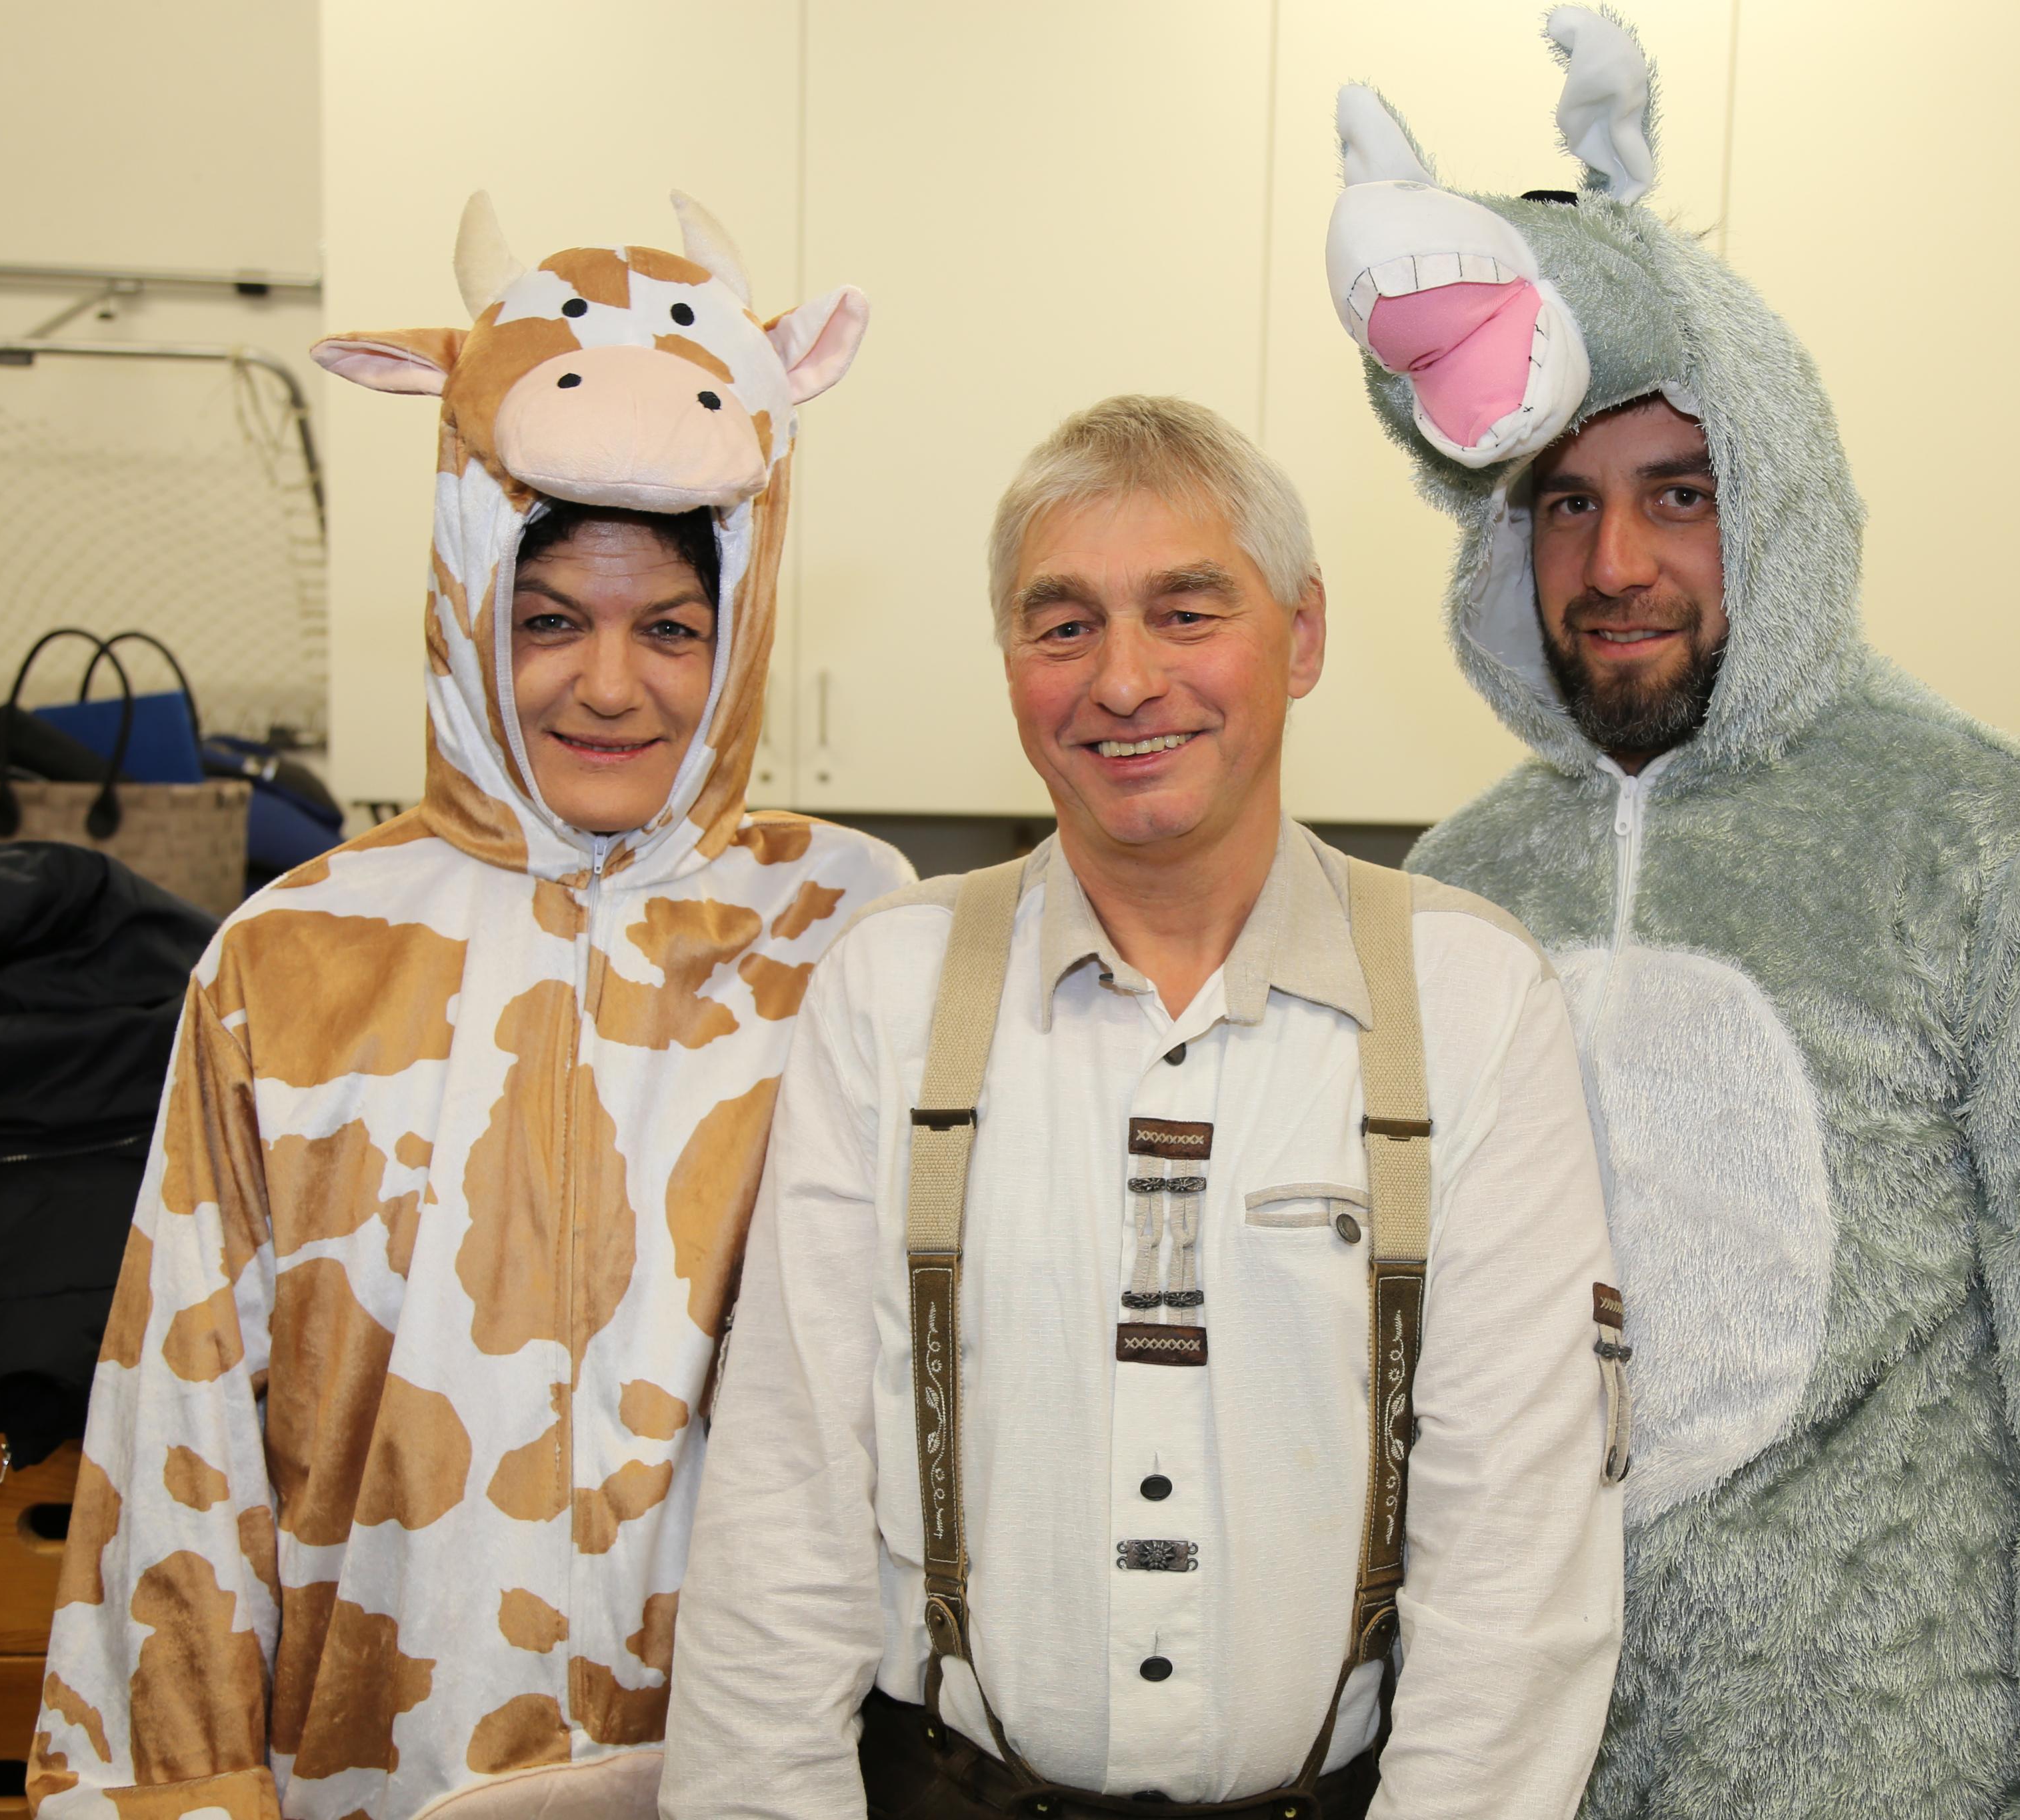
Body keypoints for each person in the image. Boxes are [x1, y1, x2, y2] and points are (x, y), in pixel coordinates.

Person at [1321, 11, 2020, 1818]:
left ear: (1776, 493)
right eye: (1563, 504)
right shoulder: (1457, 890)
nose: (1615, 567)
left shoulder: (1999, 851)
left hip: (1891, 1770)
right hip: (1512, 1774)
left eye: (1678, 496)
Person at [27, 189, 911, 1820]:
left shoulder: (847, 934)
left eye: (671, 629)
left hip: (755, 1772)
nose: (608, 685)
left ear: (739, 641)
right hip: (373, 1764)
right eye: (550, 620)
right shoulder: (298, 955)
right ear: (465, 606)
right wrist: (177, 1788)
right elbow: (178, 1423)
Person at [661, 396, 1625, 1820]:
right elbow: (779, 1515)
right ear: (1010, 665)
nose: (1122, 681)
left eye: (1185, 613)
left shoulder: (1469, 999)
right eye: (1063, 626)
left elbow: (1517, 1576)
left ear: (1301, 635)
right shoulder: (891, 990)